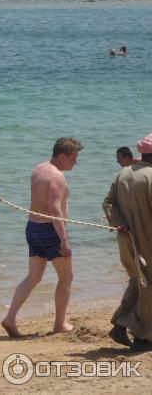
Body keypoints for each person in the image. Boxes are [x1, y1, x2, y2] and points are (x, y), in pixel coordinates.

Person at [1, 137, 83, 337]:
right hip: (50, 231)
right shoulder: (57, 176)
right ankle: (60, 324)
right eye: (73, 158)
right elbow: (54, 208)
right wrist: (63, 238)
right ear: (61, 156)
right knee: (66, 278)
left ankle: (10, 318)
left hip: (33, 228)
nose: (76, 162)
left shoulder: (38, 169)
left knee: (33, 277)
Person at [104, 133, 152, 351]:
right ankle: (143, 338)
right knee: (146, 286)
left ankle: (121, 325)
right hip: (147, 243)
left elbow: (108, 204)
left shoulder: (121, 174)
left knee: (138, 282)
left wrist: (119, 222)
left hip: (126, 241)